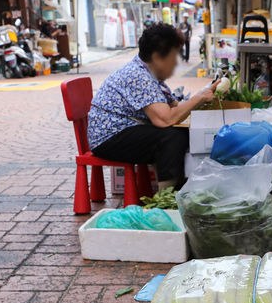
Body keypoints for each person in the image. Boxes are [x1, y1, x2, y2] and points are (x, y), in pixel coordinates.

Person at [87, 23, 217, 190]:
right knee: (171, 136)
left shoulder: (148, 73)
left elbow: (174, 105)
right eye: (173, 57)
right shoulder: (138, 76)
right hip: (108, 138)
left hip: (124, 130)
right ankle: (166, 197)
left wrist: (201, 98)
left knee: (181, 130)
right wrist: (199, 98)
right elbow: (165, 119)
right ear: (157, 57)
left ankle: (180, 184)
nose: (175, 63)